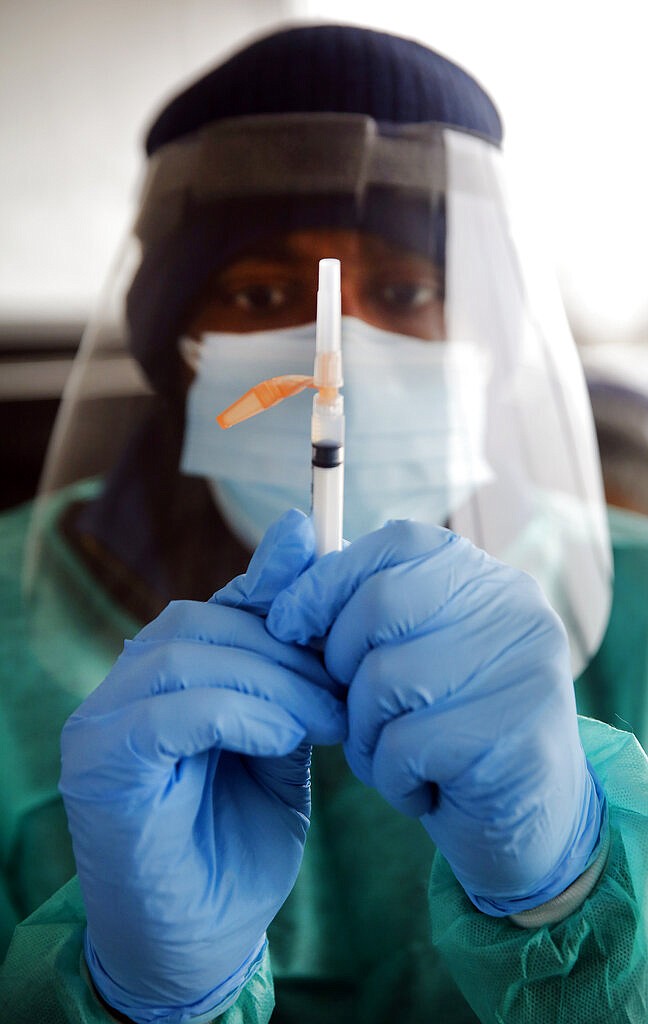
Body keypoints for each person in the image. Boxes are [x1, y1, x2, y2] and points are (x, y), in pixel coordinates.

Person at [1, 22, 647, 1024]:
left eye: (405, 289)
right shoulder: (15, 611)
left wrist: (572, 887)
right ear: (172, 340)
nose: (331, 345)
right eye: (258, 293)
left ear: (491, 330)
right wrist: (140, 997)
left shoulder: (634, 597)